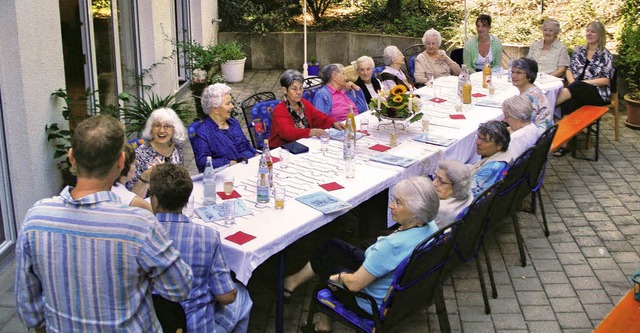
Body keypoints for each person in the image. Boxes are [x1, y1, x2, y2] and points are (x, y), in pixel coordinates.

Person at [15, 115, 193, 332]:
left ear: (72, 157)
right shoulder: (139, 223)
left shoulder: (36, 218)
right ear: (120, 162)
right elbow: (180, 288)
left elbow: (28, 307)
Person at [283, 176, 439, 332]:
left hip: (370, 303)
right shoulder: (430, 226)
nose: (391, 205)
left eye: (398, 203)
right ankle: (291, 283)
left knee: (328, 273)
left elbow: (354, 284)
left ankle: (322, 325)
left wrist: (338, 278)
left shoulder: (391, 246)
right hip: (390, 279)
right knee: (331, 247)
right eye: (394, 200)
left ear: (416, 213)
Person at [149, 163, 253, 333]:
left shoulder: (138, 233)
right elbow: (226, 296)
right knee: (242, 296)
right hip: (195, 326)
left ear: (154, 198)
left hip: (151, 322)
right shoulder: (206, 236)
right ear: (187, 200)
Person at [554, 21, 614, 157]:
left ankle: (549, 105)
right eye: (588, 31)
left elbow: (605, 80)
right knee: (568, 102)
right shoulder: (579, 50)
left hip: (597, 94)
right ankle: (564, 144)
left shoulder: (605, 55)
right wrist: (574, 84)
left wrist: (581, 84)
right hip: (576, 91)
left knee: (577, 88)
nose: (589, 34)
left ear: (600, 35)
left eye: (593, 31)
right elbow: (569, 70)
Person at [269, 70, 344, 148]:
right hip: (281, 149)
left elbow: (318, 117)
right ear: (285, 90)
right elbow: (288, 133)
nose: (299, 92)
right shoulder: (279, 110)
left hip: (303, 144)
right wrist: (312, 132)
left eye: (301, 88)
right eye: (294, 89)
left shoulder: (304, 103)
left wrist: (333, 123)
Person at [192, 83, 258, 170]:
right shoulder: (203, 132)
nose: (232, 106)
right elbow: (202, 162)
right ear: (215, 109)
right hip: (227, 174)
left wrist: (256, 154)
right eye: (228, 104)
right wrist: (228, 163)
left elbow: (246, 144)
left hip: (250, 166)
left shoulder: (233, 123)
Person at [127, 107, 187, 197]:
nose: (162, 130)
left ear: (174, 129)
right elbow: (132, 195)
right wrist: (146, 177)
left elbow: (182, 177)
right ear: (151, 129)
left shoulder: (177, 146)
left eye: (167, 126)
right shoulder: (140, 153)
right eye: (157, 126)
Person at [510, 57, 553, 134]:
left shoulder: (528, 97)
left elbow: (521, 125)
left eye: (518, 73)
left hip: (537, 138)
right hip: (544, 134)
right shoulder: (533, 90)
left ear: (529, 76)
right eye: (512, 72)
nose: (513, 76)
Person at [470, 120, 511, 197]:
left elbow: (467, 193)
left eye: (485, 140)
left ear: (499, 145)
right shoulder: (506, 154)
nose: (478, 142)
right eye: (478, 137)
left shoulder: (491, 168)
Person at [433, 160, 473, 229]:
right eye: (435, 177)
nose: (434, 183)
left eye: (441, 181)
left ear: (456, 186)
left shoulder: (439, 209)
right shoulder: (469, 193)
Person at [111, 144, 152, 212]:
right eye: (133, 163)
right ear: (122, 166)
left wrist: (146, 177)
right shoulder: (128, 198)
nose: (137, 163)